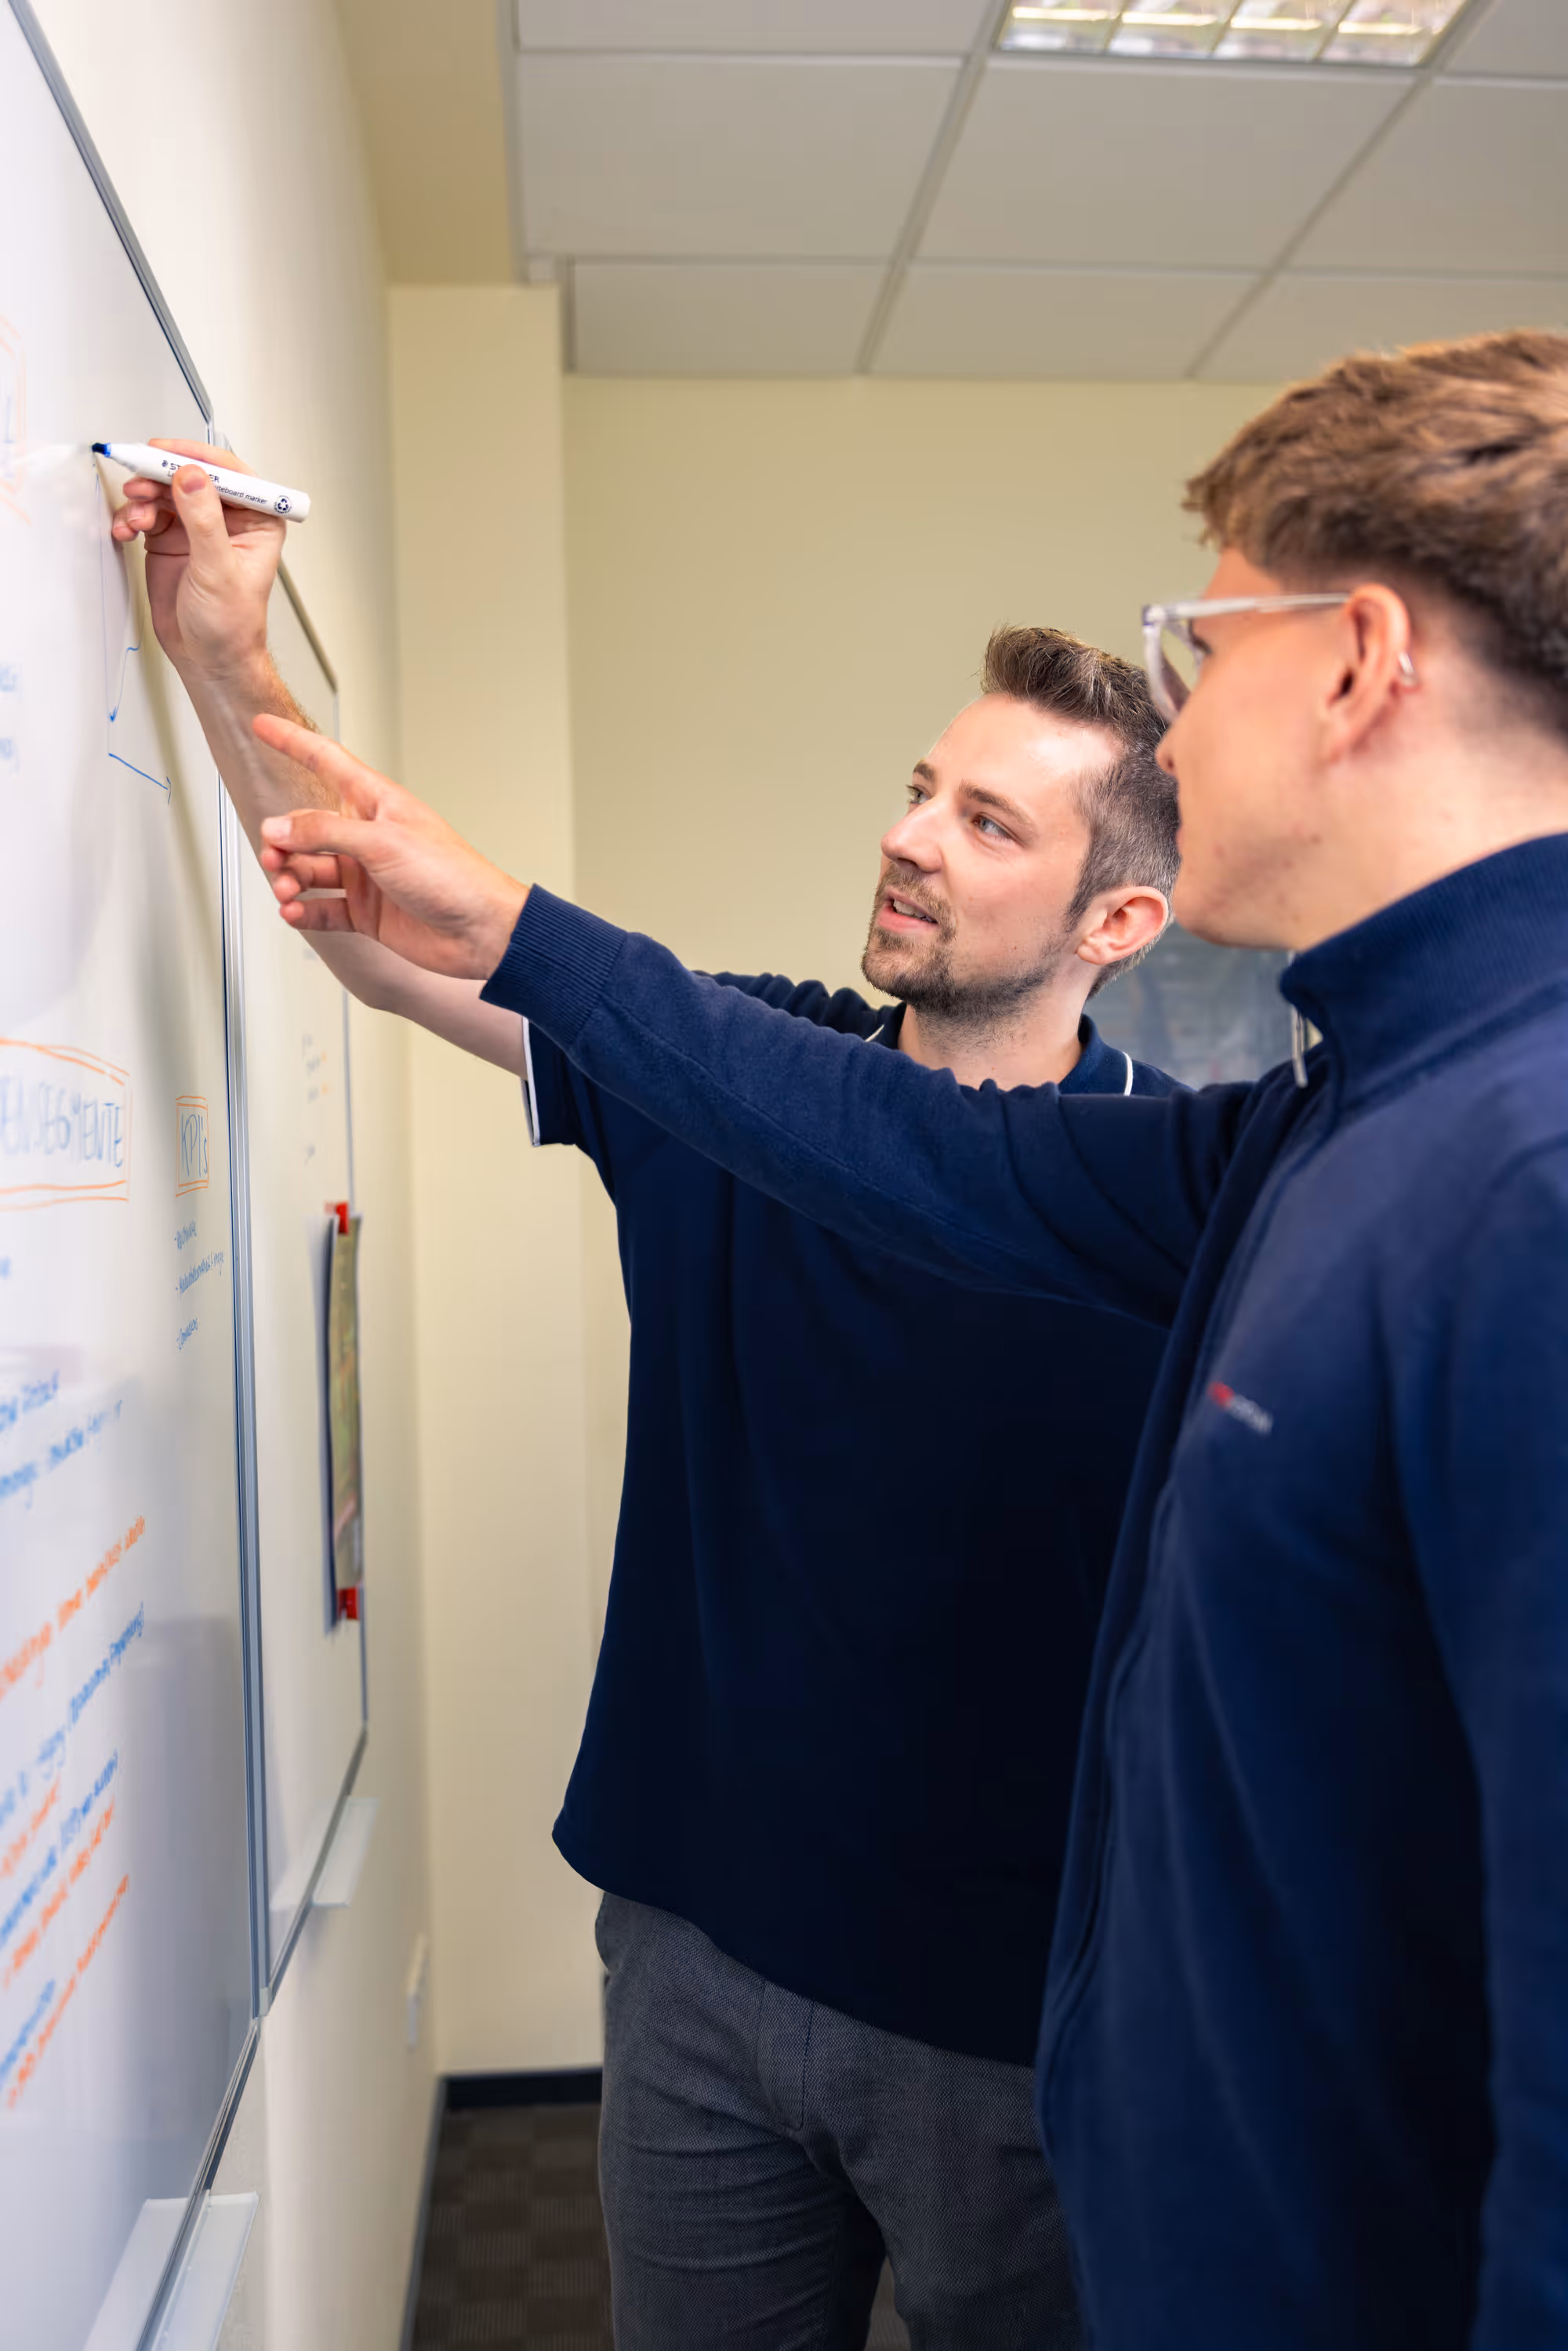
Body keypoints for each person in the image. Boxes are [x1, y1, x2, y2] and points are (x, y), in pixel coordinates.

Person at [236, 329, 1568, 2351]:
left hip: (1043, 2073)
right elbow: (875, 1133)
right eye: (917, 791)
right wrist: (279, 716)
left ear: (1362, 658)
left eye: (1209, 641)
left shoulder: (1491, 1162)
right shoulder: (1329, 1119)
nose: (1188, 713)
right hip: (784, 1988)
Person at [108, 460, 1184, 2349]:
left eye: (986, 820)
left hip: (1008, 2025)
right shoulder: (742, 1073)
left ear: (1118, 919)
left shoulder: (1158, 1205)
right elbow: (372, 929)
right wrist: (224, 657)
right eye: (921, 784)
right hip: (691, 1953)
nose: (909, 834)